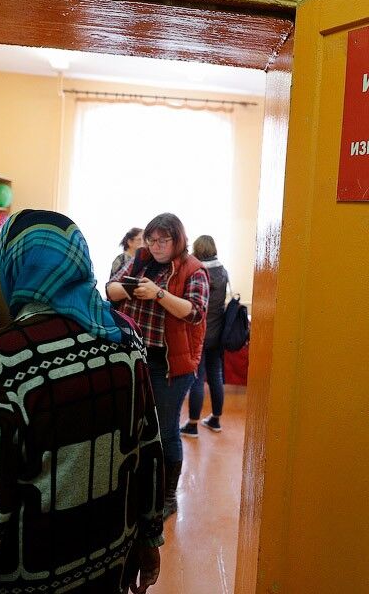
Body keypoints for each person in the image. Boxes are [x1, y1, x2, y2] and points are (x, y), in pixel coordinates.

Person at [0, 210, 164, 594]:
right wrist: (150, 538)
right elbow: (148, 447)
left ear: (13, 264)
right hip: (109, 562)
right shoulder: (125, 337)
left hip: (30, 577)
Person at [106, 213, 208, 519]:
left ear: (178, 240)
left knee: (166, 430)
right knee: (134, 426)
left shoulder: (193, 269)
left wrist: (159, 293)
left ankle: (168, 497)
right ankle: (141, 487)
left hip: (169, 365)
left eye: (163, 240)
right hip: (134, 356)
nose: (156, 246)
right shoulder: (141, 259)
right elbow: (110, 290)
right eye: (151, 240)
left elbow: (195, 312)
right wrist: (134, 288)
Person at [181, 235, 228, 437]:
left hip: (199, 332)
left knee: (197, 379)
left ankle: (192, 425)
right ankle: (215, 420)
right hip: (218, 333)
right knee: (216, 375)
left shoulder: (196, 271)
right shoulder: (223, 271)